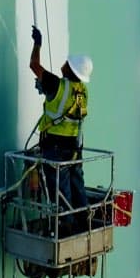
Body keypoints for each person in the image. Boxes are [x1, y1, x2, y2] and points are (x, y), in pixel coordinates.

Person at [28, 26, 93, 235]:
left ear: (70, 69)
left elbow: (34, 65)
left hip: (55, 148)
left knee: (60, 190)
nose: (64, 63)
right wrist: (45, 90)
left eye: (67, 63)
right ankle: (84, 221)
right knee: (77, 186)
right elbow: (63, 105)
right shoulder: (81, 90)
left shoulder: (57, 84)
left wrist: (37, 43)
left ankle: (66, 228)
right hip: (74, 146)